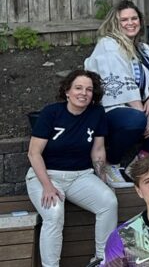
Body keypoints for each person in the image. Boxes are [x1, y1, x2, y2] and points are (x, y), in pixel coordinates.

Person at [85, 0, 149, 188]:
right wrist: (143, 116)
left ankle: (140, 161)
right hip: (112, 108)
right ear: (116, 23)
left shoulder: (146, 49)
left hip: (139, 105)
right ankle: (110, 163)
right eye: (124, 20)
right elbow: (121, 82)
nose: (130, 23)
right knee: (135, 120)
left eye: (134, 18)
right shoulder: (108, 45)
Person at [27, 71, 118, 267]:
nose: (83, 93)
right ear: (67, 91)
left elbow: (98, 150)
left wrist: (102, 180)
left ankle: (102, 259)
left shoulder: (97, 113)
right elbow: (34, 153)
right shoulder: (51, 112)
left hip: (80, 176)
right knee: (54, 214)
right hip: (46, 174)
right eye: (78, 88)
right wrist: (48, 186)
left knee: (108, 201)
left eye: (89, 89)